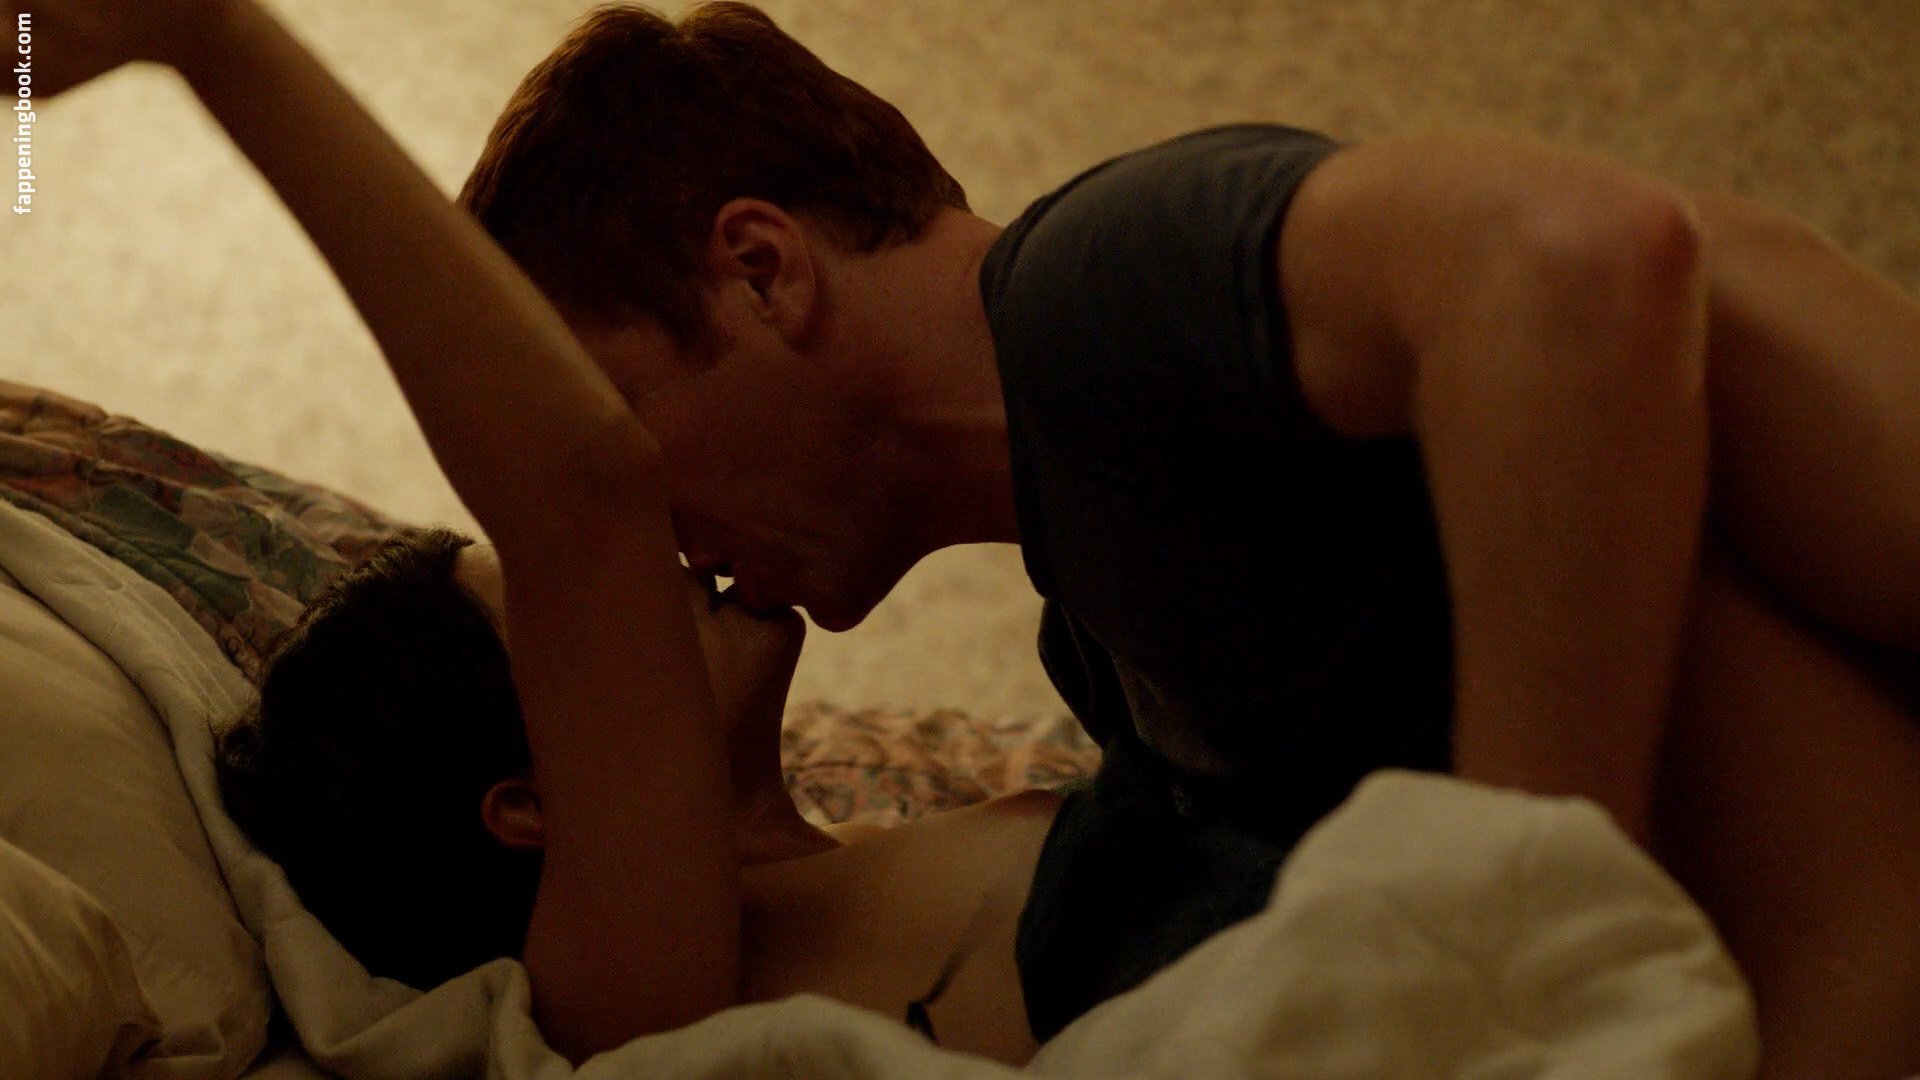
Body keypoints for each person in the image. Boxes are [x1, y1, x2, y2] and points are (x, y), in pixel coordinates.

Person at [25, 0, 1918, 1073]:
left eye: (612, 406)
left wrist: (1528, 916)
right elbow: (580, 503)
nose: (659, 546)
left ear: (761, 268)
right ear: (535, 797)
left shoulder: (1091, 311)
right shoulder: (1095, 649)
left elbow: (1590, 265)